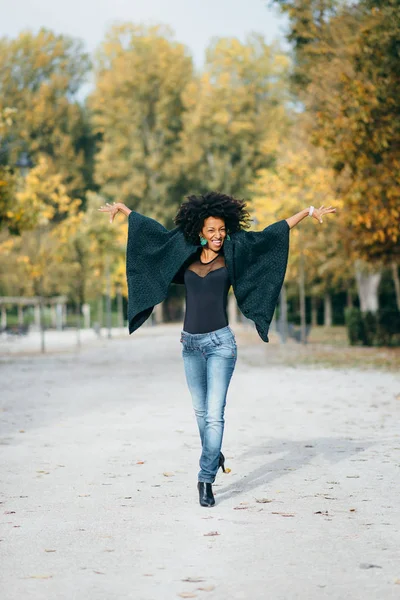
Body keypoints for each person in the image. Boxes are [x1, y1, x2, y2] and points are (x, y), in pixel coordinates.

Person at [99, 193, 335, 507]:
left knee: (214, 415)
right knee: (200, 413)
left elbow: (270, 236)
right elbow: (154, 236)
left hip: (221, 344)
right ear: (200, 231)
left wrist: (306, 212)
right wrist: (126, 211)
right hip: (190, 346)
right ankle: (214, 452)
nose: (218, 236)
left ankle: (205, 478)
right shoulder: (185, 256)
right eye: (211, 230)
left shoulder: (234, 253)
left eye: (222, 229)